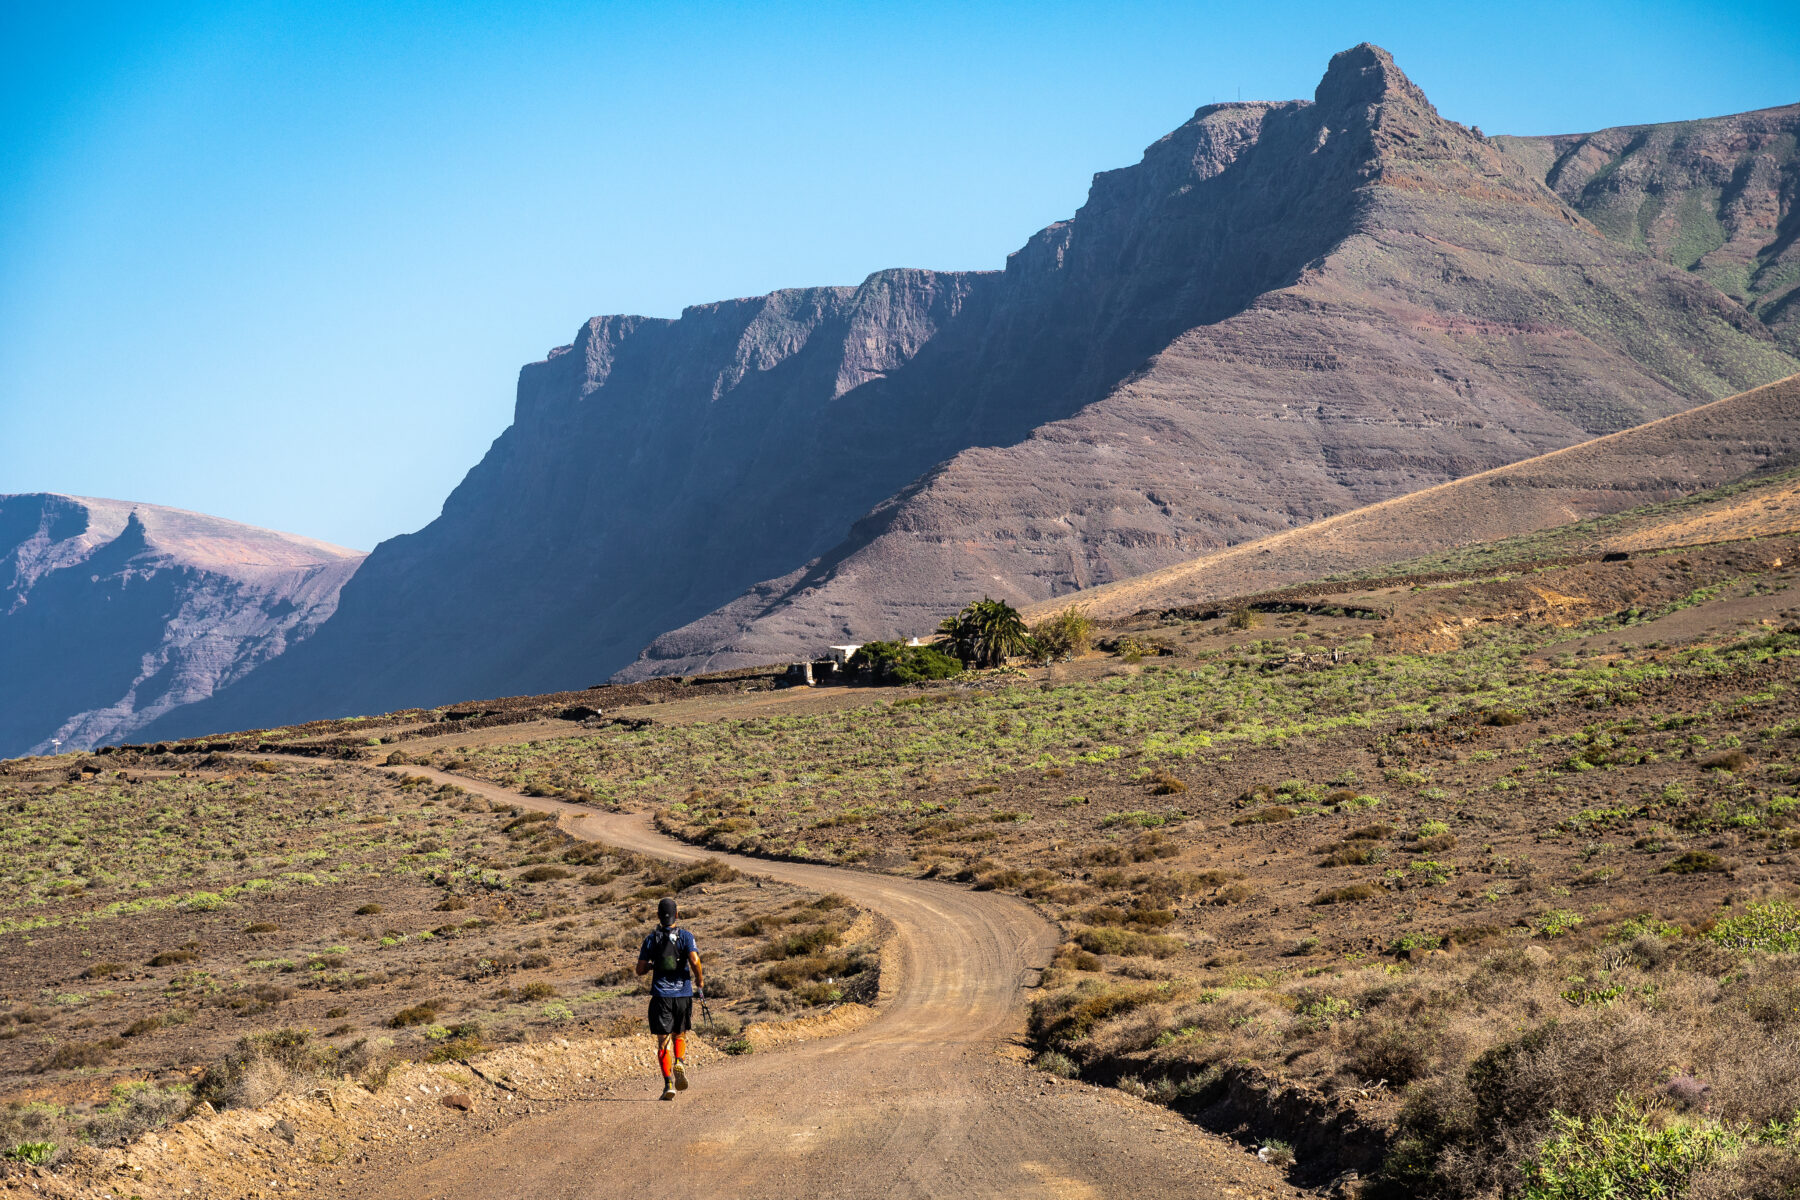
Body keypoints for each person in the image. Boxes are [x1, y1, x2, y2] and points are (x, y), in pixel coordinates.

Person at [636, 895, 703, 1100]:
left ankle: (668, 1085)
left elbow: (639, 970)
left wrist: (652, 966)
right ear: (677, 915)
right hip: (683, 994)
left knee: (662, 1041)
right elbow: (695, 960)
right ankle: (679, 1061)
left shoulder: (651, 939)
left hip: (661, 996)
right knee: (679, 1034)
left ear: (658, 915)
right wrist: (699, 981)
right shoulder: (686, 936)